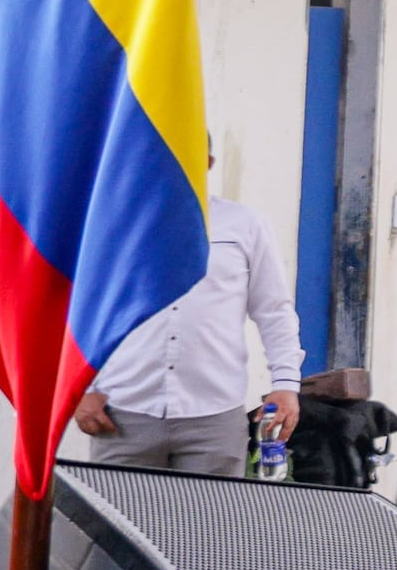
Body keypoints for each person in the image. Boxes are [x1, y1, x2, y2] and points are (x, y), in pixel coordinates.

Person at [69, 194, 298, 474]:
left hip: (214, 416)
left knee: (209, 519)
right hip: (123, 414)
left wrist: (286, 384)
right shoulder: (109, 222)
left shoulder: (244, 224)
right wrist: (83, 387)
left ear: (208, 159)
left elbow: (274, 311)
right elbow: (80, 308)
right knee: (114, 515)